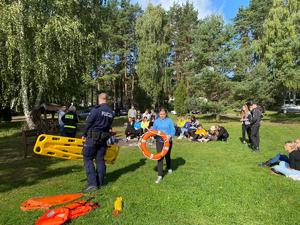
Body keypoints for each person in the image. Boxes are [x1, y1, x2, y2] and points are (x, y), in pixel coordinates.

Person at [81, 93, 114, 193]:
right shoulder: (111, 112)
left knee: (88, 158)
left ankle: (92, 184)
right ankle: (100, 181)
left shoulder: (97, 109)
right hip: (103, 139)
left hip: (93, 137)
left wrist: (84, 134)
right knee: (100, 160)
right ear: (106, 99)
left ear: (99, 99)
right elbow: (109, 126)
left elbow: (88, 123)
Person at [153, 108, 175, 184]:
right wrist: (152, 134)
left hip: (168, 141)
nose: (162, 116)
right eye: (160, 114)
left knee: (167, 155)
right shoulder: (156, 121)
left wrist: (170, 135)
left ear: (166, 114)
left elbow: (173, 130)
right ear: (159, 114)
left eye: (163, 114)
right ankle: (160, 175)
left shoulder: (169, 121)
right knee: (160, 157)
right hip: (159, 141)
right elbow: (154, 130)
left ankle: (169, 167)